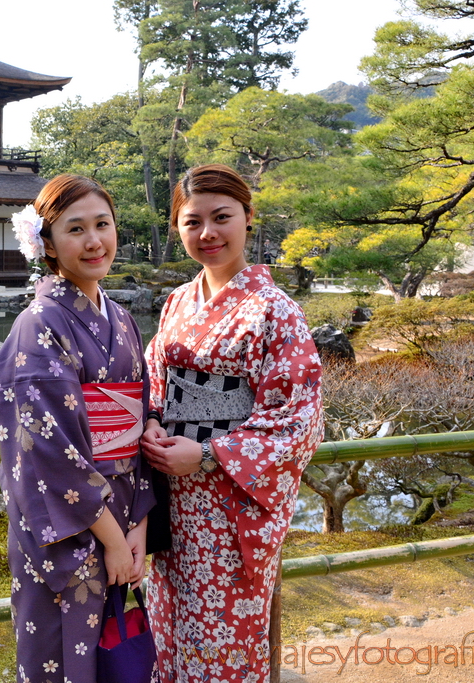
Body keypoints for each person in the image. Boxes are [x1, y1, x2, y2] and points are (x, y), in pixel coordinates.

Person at [141, 164, 324, 682]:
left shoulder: (276, 311)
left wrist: (204, 454)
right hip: (173, 495)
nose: (207, 234)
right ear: (177, 226)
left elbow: (297, 420)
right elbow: (156, 377)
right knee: (167, 624)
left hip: (229, 502)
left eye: (222, 217)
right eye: (191, 221)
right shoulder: (178, 300)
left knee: (222, 635)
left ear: (248, 217)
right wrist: (153, 420)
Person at [0, 174, 156, 683]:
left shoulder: (123, 319)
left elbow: (144, 417)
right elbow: (47, 450)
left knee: (115, 657)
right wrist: (110, 538)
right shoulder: (37, 323)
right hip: (68, 533)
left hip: (123, 516)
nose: (93, 242)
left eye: (102, 225)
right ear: (46, 243)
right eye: (75, 229)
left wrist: (137, 529)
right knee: (61, 659)